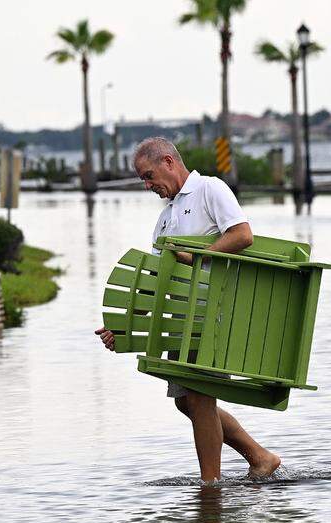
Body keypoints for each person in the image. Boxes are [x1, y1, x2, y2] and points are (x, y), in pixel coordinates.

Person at [95, 137, 281, 484]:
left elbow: (242, 234)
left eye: (149, 176)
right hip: (183, 323)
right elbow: (156, 281)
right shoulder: (165, 220)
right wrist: (125, 329)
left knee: (198, 398)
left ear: (168, 161)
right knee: (187, 403)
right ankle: (259, 457)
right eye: (143, 180)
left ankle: (209, 489)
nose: (148, 186)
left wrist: (199, 255)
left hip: (215, 316)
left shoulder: (210, 189)